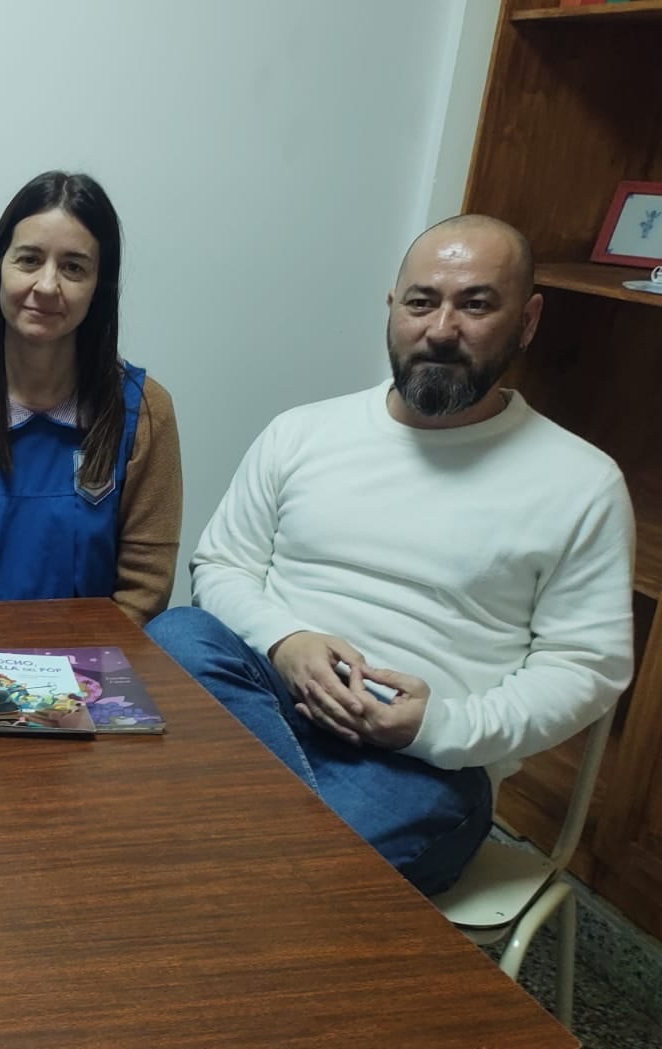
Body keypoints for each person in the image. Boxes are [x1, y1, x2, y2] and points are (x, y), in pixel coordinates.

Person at [145, 214, 634, 895]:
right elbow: (221, 565)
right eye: (422, 301)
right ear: (392, 308)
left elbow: (587, 666)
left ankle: (212, 865)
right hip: (263, 702)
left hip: (421, 767)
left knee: (231, 844)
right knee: (176, 634)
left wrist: (439, 726)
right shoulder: (302, 433)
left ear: (527, 320)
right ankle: (247, 874)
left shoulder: (582, 483)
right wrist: (287, 641)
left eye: (476, 303)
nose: (441, 329)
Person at [0, 171, 182, 624]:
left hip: (92, 674)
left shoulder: (143, 413)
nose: (46, 286)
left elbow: (144, 588)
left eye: (73, 267)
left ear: (99, 288)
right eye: (28, 260)